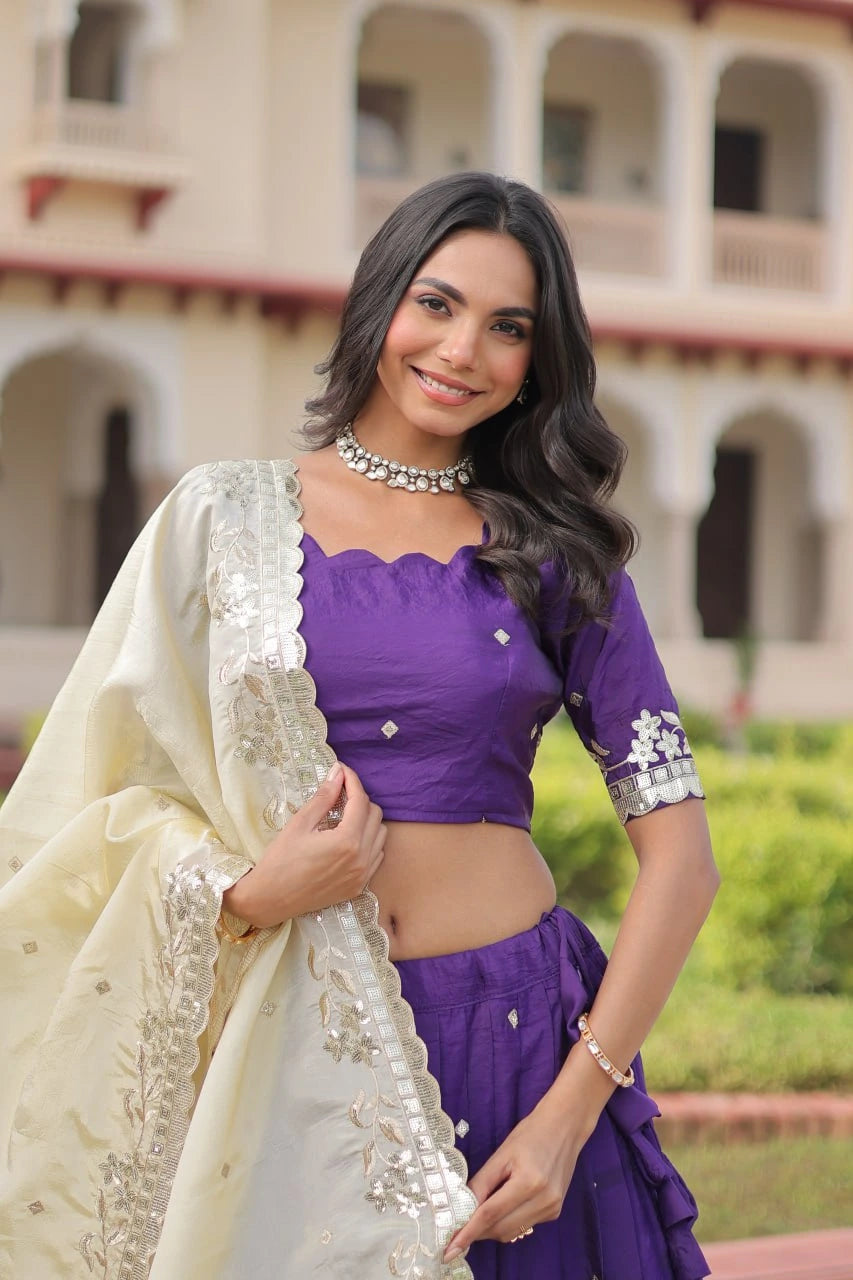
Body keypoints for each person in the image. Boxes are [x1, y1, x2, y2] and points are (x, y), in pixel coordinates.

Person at [0, 172, 718, 1280]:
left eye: (508, 326)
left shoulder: (555, 552)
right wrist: (238, 896)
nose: (462, 349)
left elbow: (681, 857)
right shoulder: (217, 518)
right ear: (380, 300)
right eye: (435, 304)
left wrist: (574, 1110)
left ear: (540, 357)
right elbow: (91, 798)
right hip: (288, 1038)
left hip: (517, 1036)